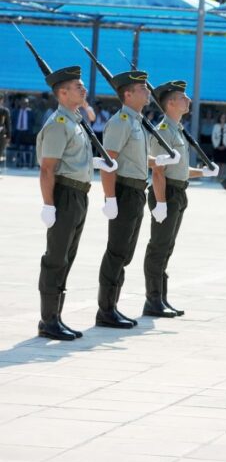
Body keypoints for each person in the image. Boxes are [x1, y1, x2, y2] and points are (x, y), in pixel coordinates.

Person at [36, 66, 117, 340]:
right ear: (62, 93)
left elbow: (72, 160)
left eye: (83, 86)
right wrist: (49, 204)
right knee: (56, 258)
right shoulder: (60, 124)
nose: (83, 90)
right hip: (65, 196)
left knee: (67, 258)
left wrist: (93, 163)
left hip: (79, 194)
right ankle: (48, 320)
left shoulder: (75, 120)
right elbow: (48, 168)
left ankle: (56, 317)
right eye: (77, 87)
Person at [97, 70, 179, 329]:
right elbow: (109, 162)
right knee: (116, 252)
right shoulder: (121, 122)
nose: (147, 92)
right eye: (142, 89)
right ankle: (105, 310)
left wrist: (159, 161)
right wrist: (110, 198)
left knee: (126, 253)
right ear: (128, 94)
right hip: (123, 191)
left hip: (136, 191)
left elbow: (134, 159)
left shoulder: (138, 122)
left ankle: (113, 306)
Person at [144, 81, 220, 317]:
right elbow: (158, 170)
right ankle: (152, 300)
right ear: (170, 103)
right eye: (182, 97)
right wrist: (161, 202)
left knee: (167, 247)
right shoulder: (163, 130)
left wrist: (202, 172)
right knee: (158, 247)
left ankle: (162, 298)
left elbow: (179, 169)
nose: (188, 100)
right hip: (165, 193)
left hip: (178, 192)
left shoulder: (177, 129)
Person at [0, 92, 10, 170]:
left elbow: (7, 124)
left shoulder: (5, 111)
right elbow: (8, 124)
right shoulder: (5, 111)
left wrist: (8, 135)